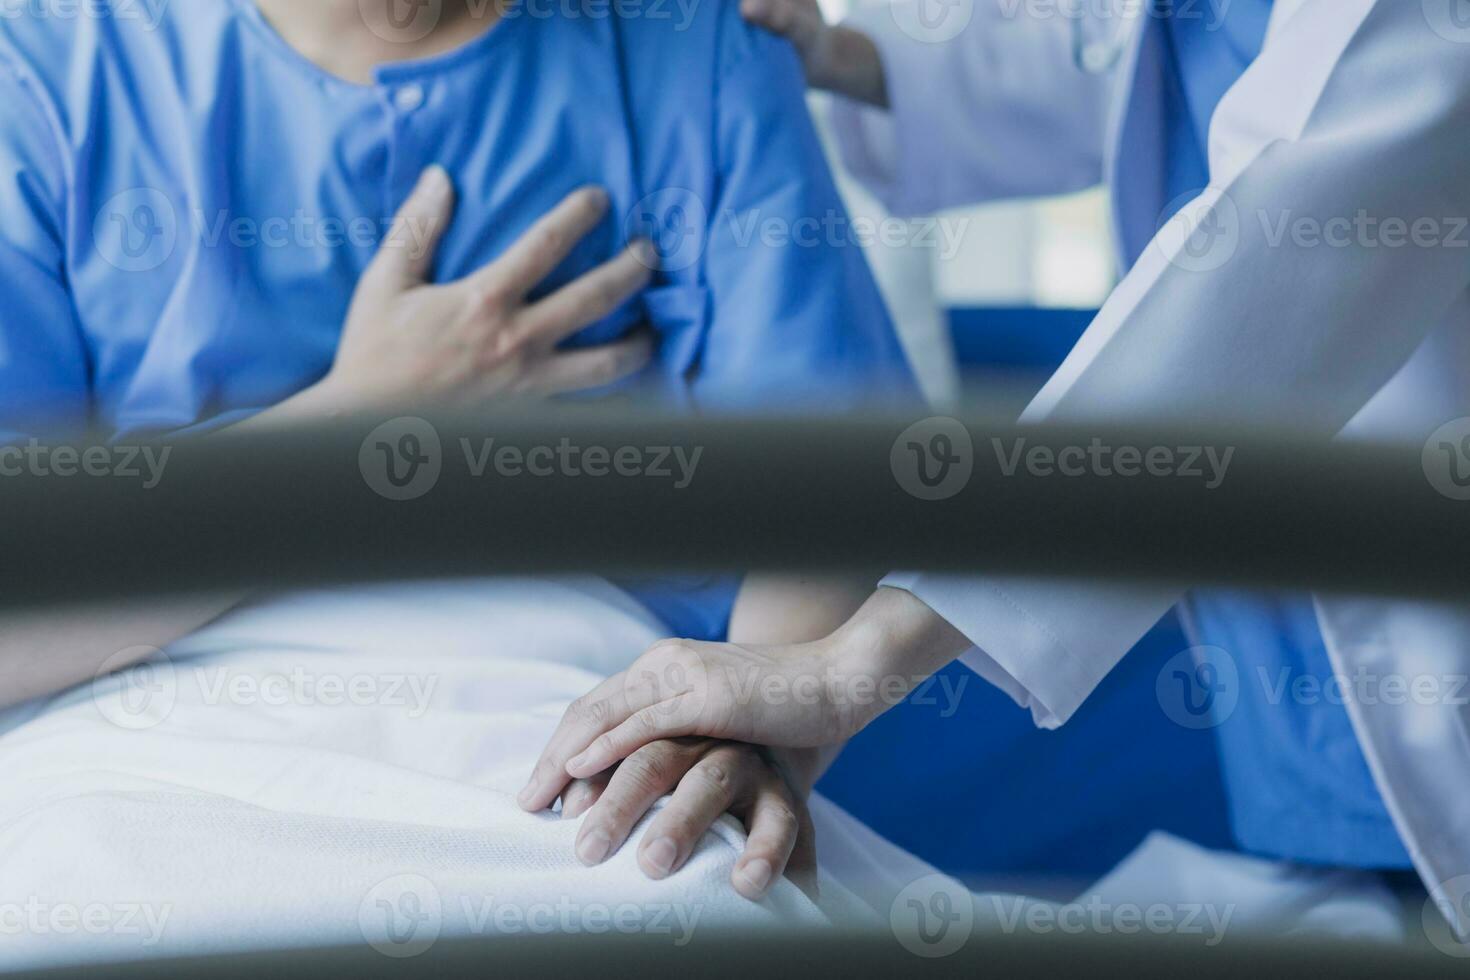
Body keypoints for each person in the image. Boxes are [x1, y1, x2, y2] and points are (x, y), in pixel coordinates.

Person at [525, 0, 1470, 931]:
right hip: (1321, 752)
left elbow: (1300, 227)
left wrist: (854, 662)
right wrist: (863, 60)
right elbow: (1140, 49)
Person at [0, 0, 913, 900]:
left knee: (681, 889)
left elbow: (828, 497)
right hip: (146, 724)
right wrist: (358, 423)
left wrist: (743, 734)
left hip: (580, 717)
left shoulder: (694, 43)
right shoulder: (46, 72)